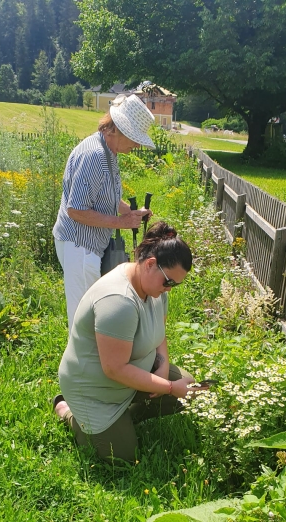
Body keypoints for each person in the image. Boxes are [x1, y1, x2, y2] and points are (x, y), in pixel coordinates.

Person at [53, 222, 200, 463]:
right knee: (122, 458)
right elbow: (114, 368)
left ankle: (124, 417)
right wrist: (170, 387)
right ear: (150, 264)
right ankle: (69, 412)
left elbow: (159, 331)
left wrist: (162, 367)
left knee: (191, 389)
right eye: (168, 282)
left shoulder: (153, 287)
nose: (169, 289)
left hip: (128, 378)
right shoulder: (119, 301)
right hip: (96, 390)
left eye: (175, 285)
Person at [53, 94, 155, 331]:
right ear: (116, 129)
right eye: (135, 138)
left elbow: (104, 196)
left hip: (88, 246)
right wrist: (121, 222)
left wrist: (130, 212)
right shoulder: (94, 156)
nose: (137, 145)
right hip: (79, 246)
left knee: (91, 312)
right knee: (83, 320)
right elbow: (75, 210)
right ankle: (81, 367)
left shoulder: (109, 151)